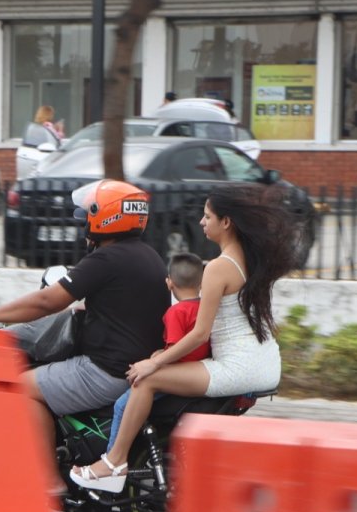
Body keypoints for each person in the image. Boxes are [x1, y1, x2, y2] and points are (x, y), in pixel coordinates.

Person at [71, 184, 299, 492]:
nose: (202, 223)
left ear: (226, 222)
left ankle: (114, 463)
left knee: (146, 380)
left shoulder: (218, 267)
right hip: (265, 361)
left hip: (238, 367)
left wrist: (154, 364)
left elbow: (200, 333)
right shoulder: (250, 260)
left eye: (207, 217)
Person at [0, 180, 171, 468]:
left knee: (17, 387)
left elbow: (47, 302)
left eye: (88, 214)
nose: (84, 221)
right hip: (133, 366)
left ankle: (47, 484)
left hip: (106, 371)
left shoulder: (106, 259)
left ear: (105, 216)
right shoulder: (148, 255)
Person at [105, 252, 210, 455]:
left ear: (169, 283)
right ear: (201, 282)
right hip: (196, 371)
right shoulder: (203, 308)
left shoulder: (176, 312)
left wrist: (157, 358)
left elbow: (176, 350)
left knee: (121, 406)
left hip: (176, 373)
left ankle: (111, 457)